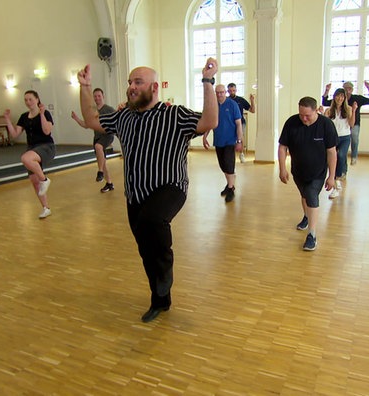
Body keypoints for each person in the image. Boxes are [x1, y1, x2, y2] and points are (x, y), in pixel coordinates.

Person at [77, 58, 218, 322]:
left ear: (154, 88)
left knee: (152, 222)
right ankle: (160, 299)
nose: (131, 86)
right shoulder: (123, 117)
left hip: (170, 187)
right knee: (145, 250)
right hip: (135, 194)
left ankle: (166, 271)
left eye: (137, 82)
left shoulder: (174, 114)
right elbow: (91, 120)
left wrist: (208, 81)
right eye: (129, 82)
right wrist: (85, 87)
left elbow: (209, 121)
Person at [278, 97, 338, 251]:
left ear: (316, 110)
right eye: (301, 115)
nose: (303, 118)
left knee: (311, 195)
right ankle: (307, 216)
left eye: (307, 115)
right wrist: (282, 168)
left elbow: (331, 152)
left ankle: (312, 235)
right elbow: (283, 147)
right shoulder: (291, 123)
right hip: (298, 171)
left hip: (318, 171)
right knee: (305, 196)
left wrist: (331, 176)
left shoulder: (326, 125)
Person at [4, 90, 55, 219]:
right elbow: (15, 135)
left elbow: (47, 131)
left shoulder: (46, 113)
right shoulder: (23, 116)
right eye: (25, 100)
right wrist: (7, 120)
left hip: (46, 147)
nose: (28, 102)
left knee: (25, 158)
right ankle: (45, 208)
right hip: (32, 148)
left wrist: (42, 114)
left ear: (37, 99)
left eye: (30, 99)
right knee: (34, 181)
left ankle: (45, 180)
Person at [71, 88, 117, 193]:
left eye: (99, 96)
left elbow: (117, 121)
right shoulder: (92, 111)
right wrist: (76, 118)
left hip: (107, 135)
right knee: (103, 161)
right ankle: (109, 183)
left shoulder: (108, 109)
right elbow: (86, 125)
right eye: (95, 96)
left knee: (98, 146)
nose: (97, 98)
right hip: (97, 137)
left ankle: (100, 171)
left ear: (103, 96)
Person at [203, 84, 243, 203]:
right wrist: (205, 136)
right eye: (217, 92)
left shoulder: (232, 105)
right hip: (218, 140)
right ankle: (230, 184)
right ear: (215, 93)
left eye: (221, 92)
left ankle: (230, 189)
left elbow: (239, 124)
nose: (219, 94)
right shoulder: (213, 105)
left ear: (225, 92)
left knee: (229, 165)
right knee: (223, 166)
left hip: (230, 140)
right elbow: (209, 123)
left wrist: (239, 141)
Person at [322, 80, 369, 165]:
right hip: (341, 126)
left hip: (354, 123)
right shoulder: (339, 98)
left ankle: (354, 156)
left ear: (352, 90)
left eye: (349, 88)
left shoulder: (357, 99)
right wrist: (327, 90)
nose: (347, 90)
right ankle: (341, 167)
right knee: (341, 152)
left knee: (354, 136)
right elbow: (325, 102)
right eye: (345, 88)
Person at [325, 88, 356, 199]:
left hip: (345, 137)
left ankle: (337, 179)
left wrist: (354, 111)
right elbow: (325, 123)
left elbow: (352, 124)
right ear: (334, 97)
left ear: (344, 98)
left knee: (341, 155)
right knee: (331, 158)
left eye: (342, 96)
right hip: (333, 138)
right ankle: (333, 181)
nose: (340, 98)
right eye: (338, 96)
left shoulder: (348, 109)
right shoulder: (329, 110)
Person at [227, 83, 255, 163]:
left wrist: (252, 100)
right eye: (230, 90)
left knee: (241, 137)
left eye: (233, 90)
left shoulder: (241, 100)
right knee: (230, 140)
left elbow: (252, 110)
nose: (232, 92)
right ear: (228, 91)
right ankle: (230, 156)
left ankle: (241, 154)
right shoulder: (226, 100)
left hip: (241, 122)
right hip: (230, 124)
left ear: (236, 90)